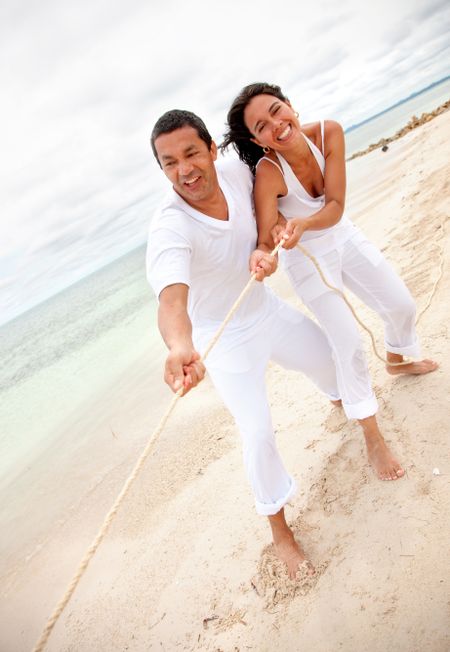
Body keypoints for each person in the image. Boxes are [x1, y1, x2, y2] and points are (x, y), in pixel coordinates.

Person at [146, 109, 342, 578]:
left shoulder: (238, 171)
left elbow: (284, 161)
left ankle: (346, 410)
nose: (185, 169)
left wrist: (274, 233)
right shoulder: (169, 228)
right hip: (223, 337)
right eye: (170, 162)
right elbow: (172, 301)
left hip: (264, 308)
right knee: (257, 433)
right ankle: (280, 532)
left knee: (330, 364)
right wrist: (178, 347)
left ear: (212, 149)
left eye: (191, 153)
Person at [221, 82, 438, 483]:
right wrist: (267, 246)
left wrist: (302, 222)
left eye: (276, 110)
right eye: (262, 125)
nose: (276, 125)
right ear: (257, 140)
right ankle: (371, 433)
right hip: (306, 262)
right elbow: (266, 234)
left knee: (401, 306)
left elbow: (336, 206)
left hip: (343, 236)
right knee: (349, 344)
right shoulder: (268, 174)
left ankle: (397, 358)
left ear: (290, 105)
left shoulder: (329, 133)